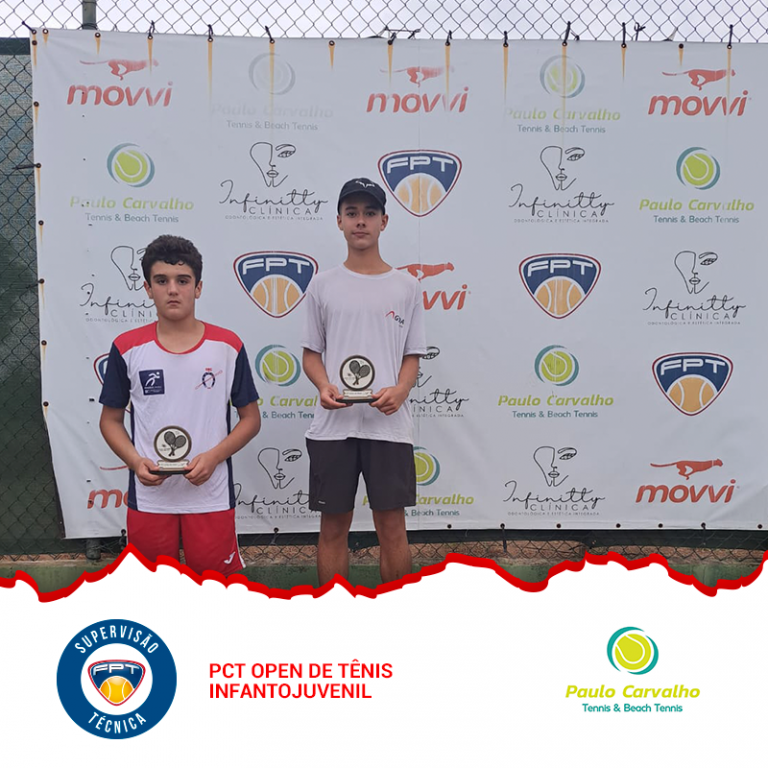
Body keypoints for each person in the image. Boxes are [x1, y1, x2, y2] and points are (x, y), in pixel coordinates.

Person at [99, 234, 261, 575]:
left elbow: (250, 419)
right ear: (147, 288)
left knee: (216, 589)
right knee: (153, 592)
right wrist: (136, 462)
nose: (173, 290)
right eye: (162, 281)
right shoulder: (127, 348)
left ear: (198, 288)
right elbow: (110, 420)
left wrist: (213, 457)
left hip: (210, 494)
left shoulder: (227, 346)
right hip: (151, 499)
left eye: (183, 281)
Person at [301, 178, 427, 585]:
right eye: (352, 213)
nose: (361, 221)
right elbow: (311, 354)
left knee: (391, 528)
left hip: (388, 427)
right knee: (333, 528)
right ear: (339, 221)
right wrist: (323, 386)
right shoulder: (322, 284)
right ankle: (334, 613)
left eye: (370, 213)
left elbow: (412, 356)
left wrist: (401, 390)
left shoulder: (407, 286)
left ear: (383, 221)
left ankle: (395, 613)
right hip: (333, 428)